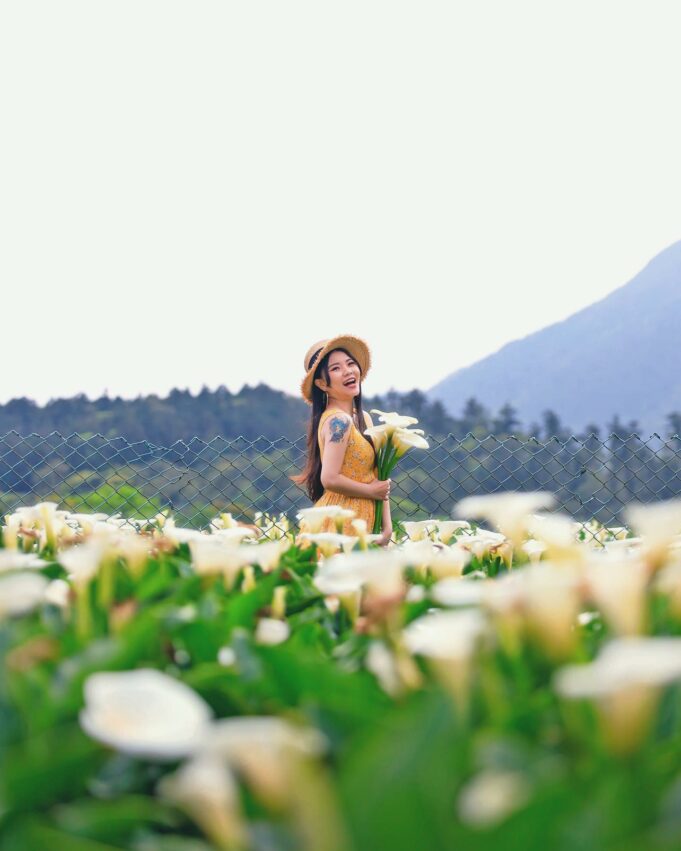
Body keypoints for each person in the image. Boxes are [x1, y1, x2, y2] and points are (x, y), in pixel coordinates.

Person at [292, 335, 393, 545]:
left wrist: (387, 527)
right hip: (339, 523)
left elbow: (378, 478)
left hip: (365, 519)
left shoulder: (363, 419)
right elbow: (329, 478)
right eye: (335, 368)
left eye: (350, 363)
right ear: (322, 384)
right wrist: (371, 491)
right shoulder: (338, 421)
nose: (347, 371)